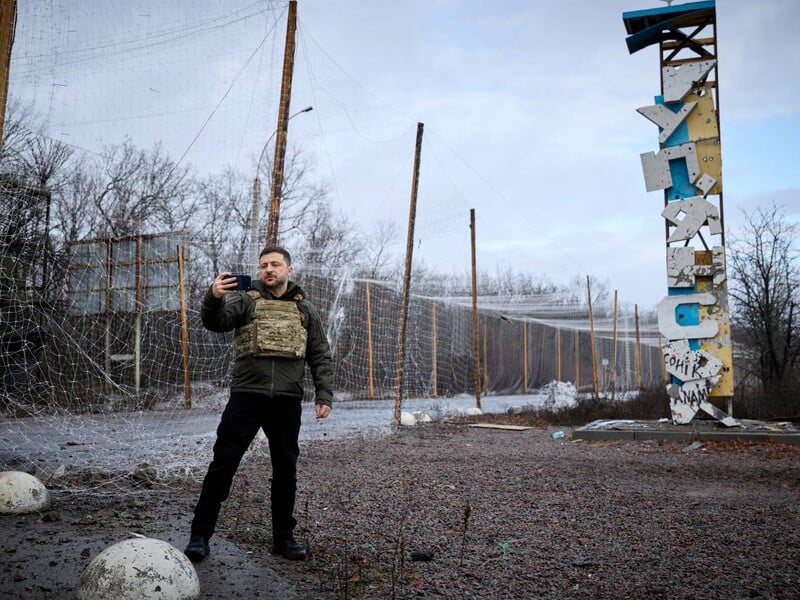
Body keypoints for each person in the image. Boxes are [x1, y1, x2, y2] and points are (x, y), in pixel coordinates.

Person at [185, 246, 333, 562]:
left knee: (285, 471)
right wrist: (213, 296)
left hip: (287, 400)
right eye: (264, 265)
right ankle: (199, 536)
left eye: (275, 264)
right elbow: (215, 322)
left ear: (288, 270)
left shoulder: (305, 310)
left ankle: (284, 538)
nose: (268, 269)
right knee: (223, 464)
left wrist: (324, 396)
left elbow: (319, 354)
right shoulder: (246, 300)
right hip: (247, 396)